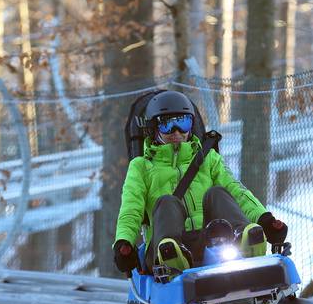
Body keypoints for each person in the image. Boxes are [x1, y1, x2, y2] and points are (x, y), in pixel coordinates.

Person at [112, 90, 287, 278]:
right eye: (167, 125)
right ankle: (171, 255)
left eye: (183, 123)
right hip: (162, 248)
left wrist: (264, 219)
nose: (176, 132)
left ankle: (245, 239)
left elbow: (236, 191)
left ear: (191, 125)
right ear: (153, 128)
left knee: (218, 193)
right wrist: (124, 242)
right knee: (167, 201)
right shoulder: (141, 166)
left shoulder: (208, 158)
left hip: (209, 241)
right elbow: (131, 209)